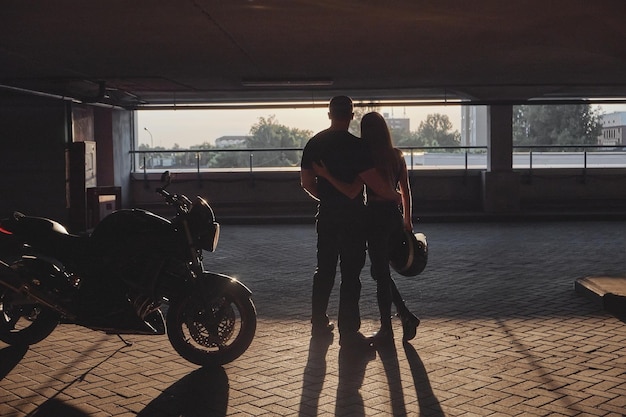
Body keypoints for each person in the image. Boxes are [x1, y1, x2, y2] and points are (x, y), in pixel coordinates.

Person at [300, 96, 400, 349]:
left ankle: (319, 319)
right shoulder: (358, 147)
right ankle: (349, 330)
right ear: (352, 116)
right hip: (354, 219)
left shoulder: (314, 143)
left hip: (327, 216)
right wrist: (397, 197)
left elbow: (306, 183)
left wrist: (328, 197)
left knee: (324, 269)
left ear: (329, 114)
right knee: (350, 274)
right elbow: (371, 185)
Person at [313, 111, 420, 345]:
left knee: (380, 274)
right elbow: (406, 190)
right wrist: (408, 221)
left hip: (373, 217)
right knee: (380, 272)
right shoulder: (397, 155)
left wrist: (326, 175)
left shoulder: (366, 156)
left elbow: (354, 189)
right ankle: (404, 315)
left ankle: (389, 328)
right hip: (394, 216)